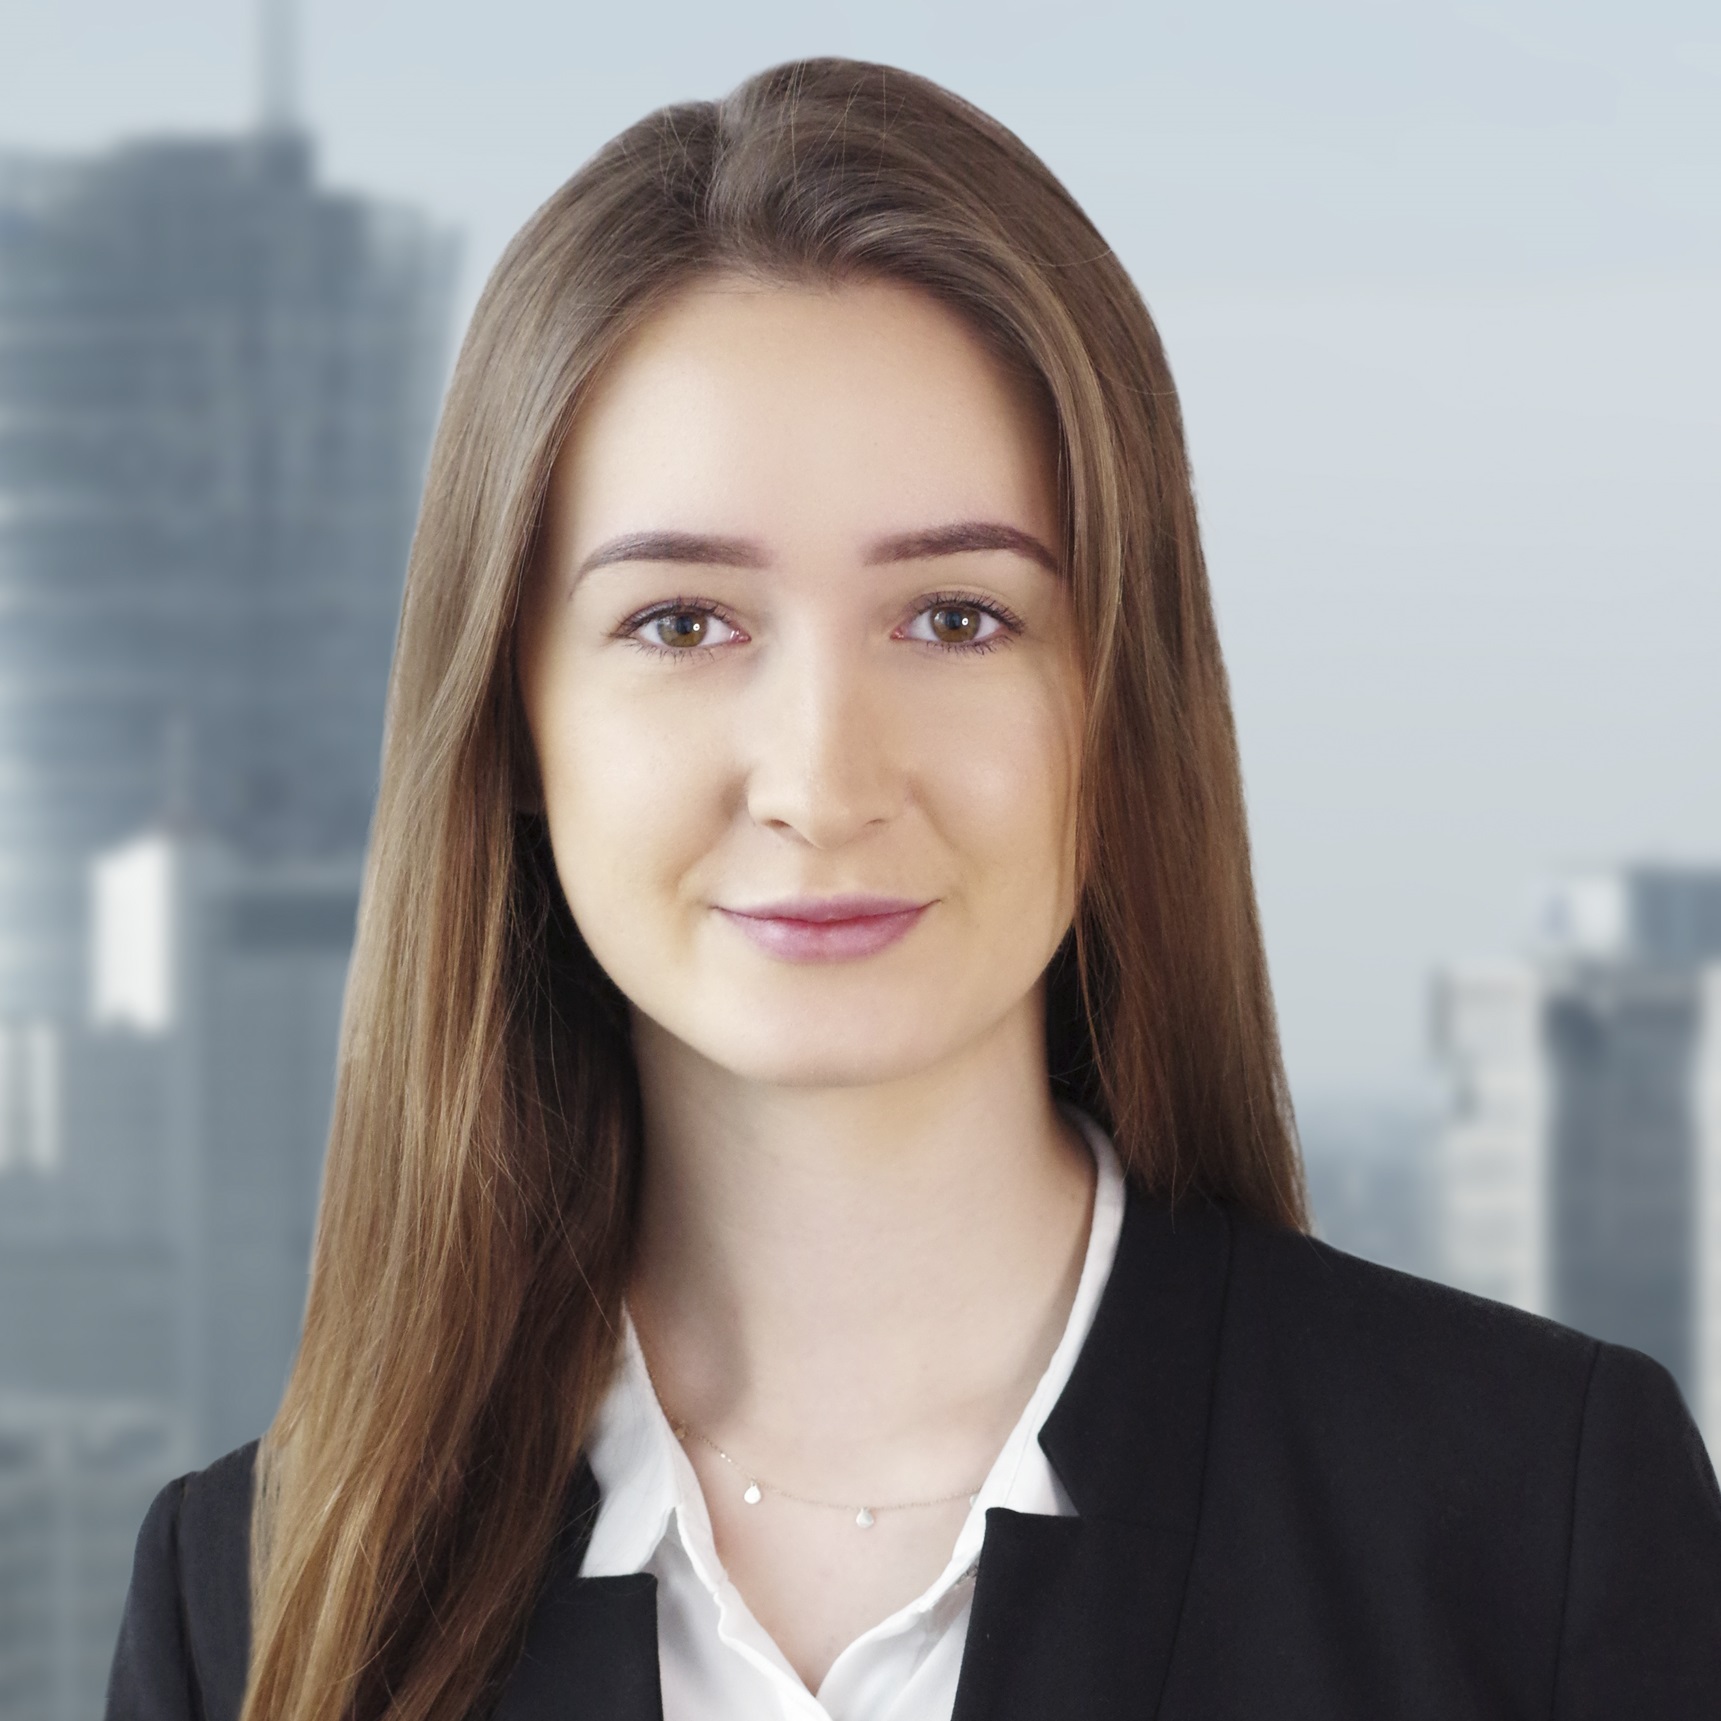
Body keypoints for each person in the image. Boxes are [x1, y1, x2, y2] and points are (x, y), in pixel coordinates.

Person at [106, 56, 1721, 1721]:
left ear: (1120, 700)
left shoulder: (1528, 1521)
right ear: (514, 717)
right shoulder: (250, 1604)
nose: (823, 781)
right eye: (680, 621)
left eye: (956, 616)